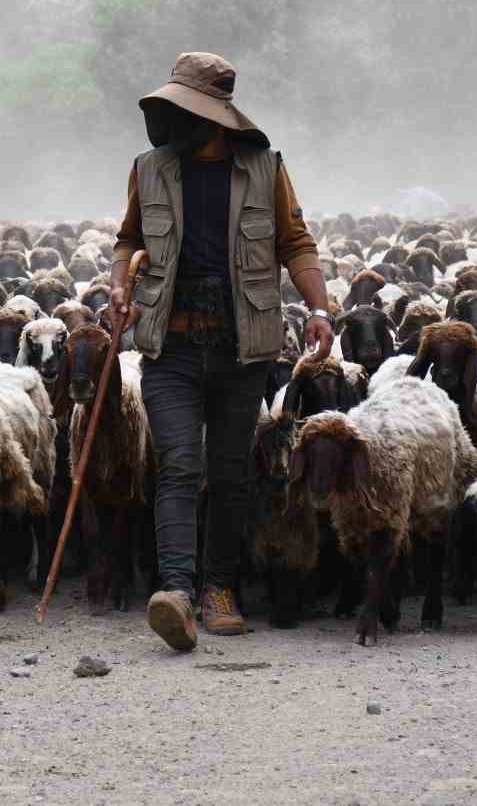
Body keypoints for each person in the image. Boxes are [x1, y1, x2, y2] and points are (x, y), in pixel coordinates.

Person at [110, 51, 333, 652]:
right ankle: (177, 592)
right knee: (179, 464)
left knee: (232, 472)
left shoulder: (264, 168)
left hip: (244, 345)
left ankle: (220, 589)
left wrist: (318, 308)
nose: (175, 120)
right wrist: (119, 284)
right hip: (170, 343)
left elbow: (295, 240)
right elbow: (129, 238)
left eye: (185, 109)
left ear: (214, 115)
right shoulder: (149, 170)